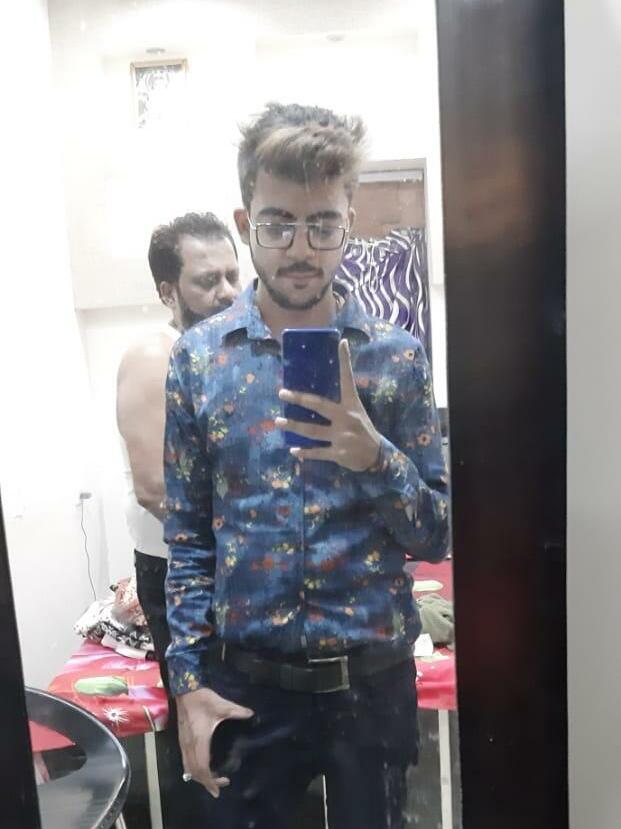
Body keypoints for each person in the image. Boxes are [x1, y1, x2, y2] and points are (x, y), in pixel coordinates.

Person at [163, 103, 450, 829]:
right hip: (245, 689)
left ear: (349, 219)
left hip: (371, 685)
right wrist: (188, 684)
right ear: (244, 222)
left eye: (322, 224)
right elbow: (188, 538)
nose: (300, 248)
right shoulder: (198, 360)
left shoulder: (395, 358)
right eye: (277, 223)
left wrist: (373, 456)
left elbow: (436, 534)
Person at [116, 211, 241, 826]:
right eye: (206, 281)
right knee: (209, 733)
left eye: (232, 276)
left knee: (254, 728)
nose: (227, 292)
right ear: (168, 291)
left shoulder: (232, 353)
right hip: (182, 573)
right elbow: (153, 489)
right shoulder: (153, 356)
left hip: (237, 569)